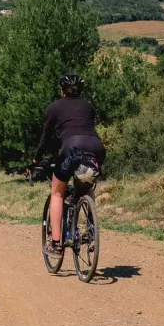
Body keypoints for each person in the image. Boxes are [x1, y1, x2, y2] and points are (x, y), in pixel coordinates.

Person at [33, 73, 106, 257]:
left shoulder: (54, 108)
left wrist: (36, 159)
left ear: (62, 90)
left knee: (57, 193)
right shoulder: (88, 106)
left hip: (71, 148)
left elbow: (46, 137)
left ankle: (56, 244)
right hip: (96, 147)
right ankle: (91, 230)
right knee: (86, 187)